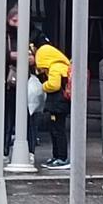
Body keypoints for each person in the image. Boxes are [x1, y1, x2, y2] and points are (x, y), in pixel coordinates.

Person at [3, 5, 38, 158]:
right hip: (9, 81)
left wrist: (33, 58)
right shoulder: (5, 34)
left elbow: (44, 51)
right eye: (14, 20)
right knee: (8, 118)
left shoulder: (34, 33)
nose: (16, 24)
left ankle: (30, 150)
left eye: (19, 20)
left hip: (28, 80)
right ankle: (4, 150)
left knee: (29, 117)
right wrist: (17, 55)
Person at [35, 36, 72, 171]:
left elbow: (54, 85)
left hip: (58, 103)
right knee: (55, 130)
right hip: (59, 103)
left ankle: (61, 157)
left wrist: (43, 86)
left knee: (58, 131)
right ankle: (57, 156)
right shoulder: (60, 65)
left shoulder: (56, 67)